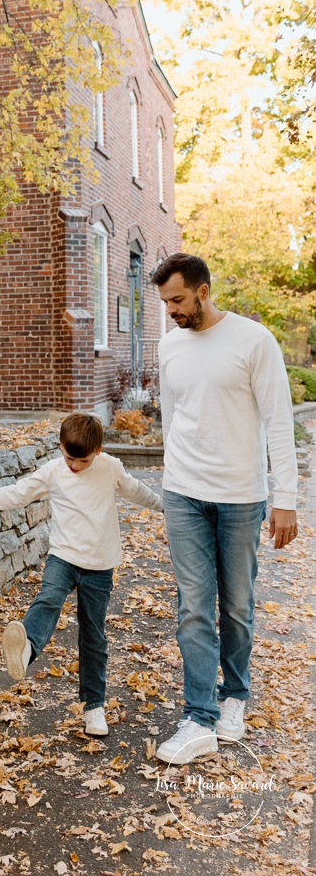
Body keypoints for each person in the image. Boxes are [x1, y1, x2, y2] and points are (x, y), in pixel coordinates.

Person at [151, 253, 299, 765]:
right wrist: (170, 486)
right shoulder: (170, 345)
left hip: (241, 496)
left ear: (203, 291)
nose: (170, 310)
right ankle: (199, 715)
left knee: (235, 604)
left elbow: (279, 421)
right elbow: (173, 421)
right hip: (184, 494)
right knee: (194, 606)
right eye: (165, 301)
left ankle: (234, 695)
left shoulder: (254, 341)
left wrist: (286, 498)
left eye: (177, 299)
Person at [0, 412, 164, 737]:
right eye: (68, 457)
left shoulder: (110, 467)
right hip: (63, 557)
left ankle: (94, 707)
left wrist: (166, 506)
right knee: (48, 598)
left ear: (98, 451)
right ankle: (26, 648)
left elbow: (137, 491)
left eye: (81, 461)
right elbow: (16, 493)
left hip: (100, 564)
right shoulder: (54, 471)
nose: (74, 466)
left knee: (93, 635)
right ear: (60, 447)